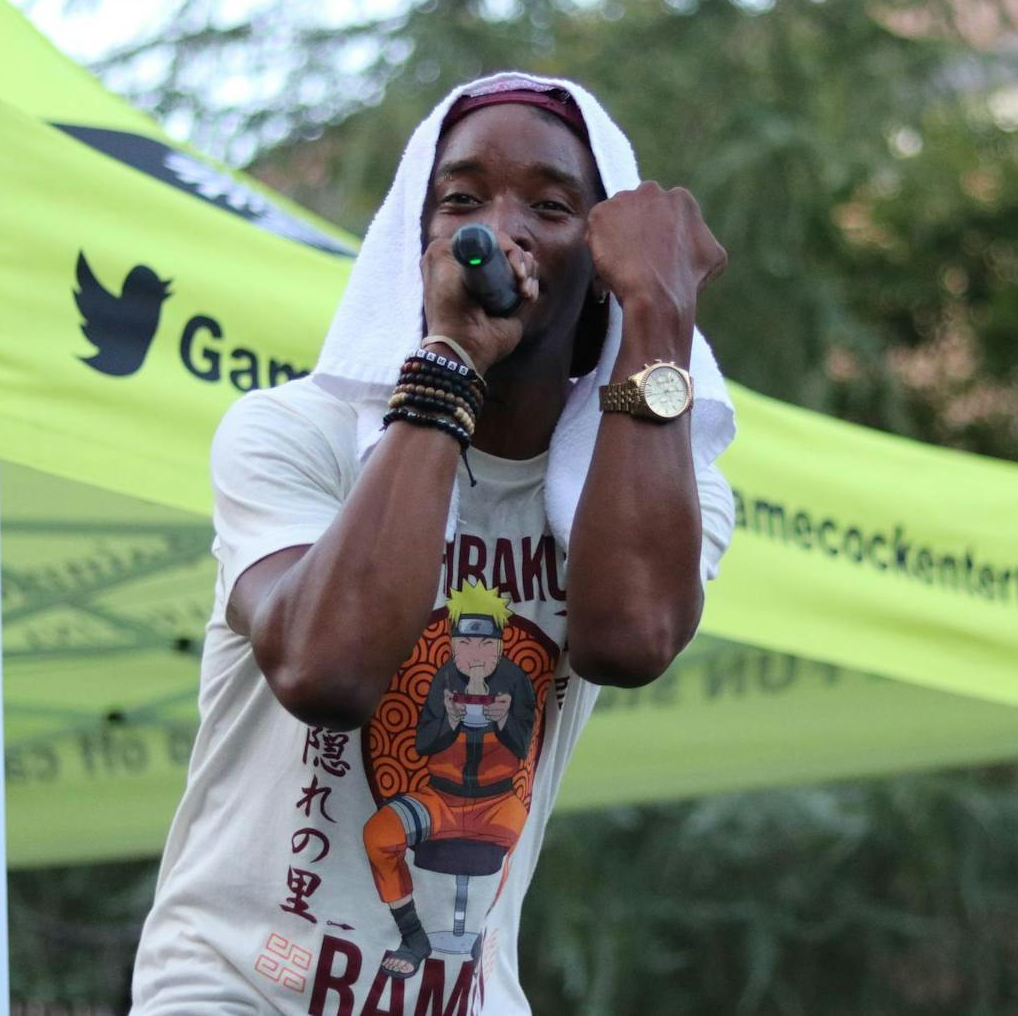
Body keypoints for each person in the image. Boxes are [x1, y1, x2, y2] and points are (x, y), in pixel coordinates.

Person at [130, 72, 736, 1015]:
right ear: (413, 247)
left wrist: (657, 316)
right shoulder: (293, 436)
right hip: (234, 989)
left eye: (551, 204)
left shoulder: (656, 484)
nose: (497, 229)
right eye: (461, 200)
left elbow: (630, 639)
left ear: (603, 266)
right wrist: (449, 358)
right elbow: (328, 672)